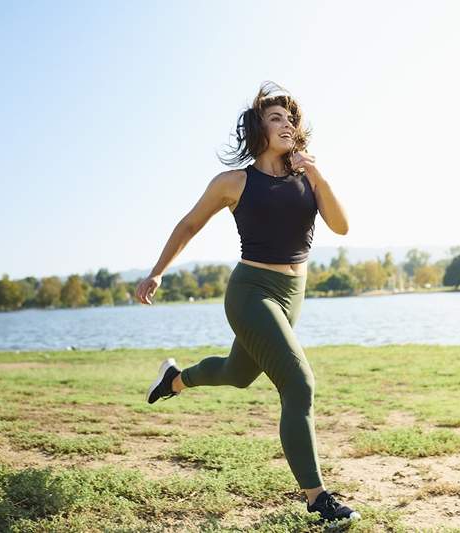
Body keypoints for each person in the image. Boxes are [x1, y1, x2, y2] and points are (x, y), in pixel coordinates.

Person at [135, 81, 359, 523]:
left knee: (238, 374)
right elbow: (189, 224)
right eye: (275, 118)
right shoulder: (234, 182)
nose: (286, 124)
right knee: (299, 385)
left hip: (292, 296)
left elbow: (342, 226)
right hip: (251, 292)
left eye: (290, 118)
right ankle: (318, 500)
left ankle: (176, 380)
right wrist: (158, 270)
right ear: (258, 129)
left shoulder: (307, 179)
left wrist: (315, 173)